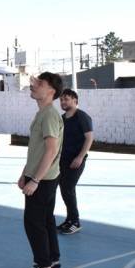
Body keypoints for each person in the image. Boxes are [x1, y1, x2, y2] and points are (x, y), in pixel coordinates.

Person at [17, 72, 64, 268]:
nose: (34, 85)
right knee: (46, 221)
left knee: (33, 222)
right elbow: (37, 149)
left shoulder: (50, 115)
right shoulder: (42, 113)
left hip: (43, 180)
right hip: (39, 176)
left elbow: (51, 150)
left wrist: (34, 180)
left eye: (40, 83)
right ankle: (52, 262)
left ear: (51, 91)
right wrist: (24, 174)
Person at [57, 88, 93, 235]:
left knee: (68, 188)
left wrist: (79, 157)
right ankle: (69, 220)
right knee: (64, 188)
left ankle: (75, 221)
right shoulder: (62, 118)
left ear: (75, 101)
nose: (63, 102)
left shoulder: (82, 116)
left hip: (76, 160)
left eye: (66, 99)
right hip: (62, 159)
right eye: (61, 100)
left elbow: (89, 138)